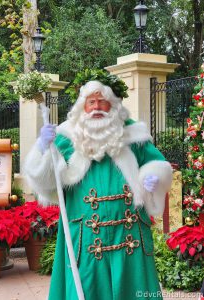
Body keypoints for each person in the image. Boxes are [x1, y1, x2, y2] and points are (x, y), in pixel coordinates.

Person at [24, 70, 172, 300]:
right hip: (86, 239)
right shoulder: (66, 137)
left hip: (130, 235)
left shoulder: (134, 135)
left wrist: (152, 177)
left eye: (102, 102)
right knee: (88, 287)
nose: (96, 108)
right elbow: (46, 182)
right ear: (82, 106)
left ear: (113, 105)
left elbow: (157, 164)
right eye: (91, 102)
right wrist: (43, 148)